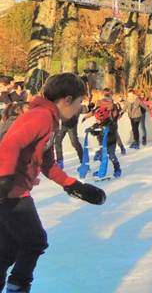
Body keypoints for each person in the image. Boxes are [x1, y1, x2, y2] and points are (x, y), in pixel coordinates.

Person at [0, 73, 106, 293]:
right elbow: (10, 144)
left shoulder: (50, 120)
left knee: (8, 249)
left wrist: (72, 185)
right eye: (79, 103)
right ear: (67, 99)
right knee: (34, 241)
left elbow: (47, 163)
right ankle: (18, 288)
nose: (79, 109)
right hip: (11, 190)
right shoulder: (40, 116)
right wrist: (4, 179)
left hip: (12, 187)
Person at [53, 103, 83, 169]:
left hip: (72, 126)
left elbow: (84, 109)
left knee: (74, 142)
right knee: (57, 141)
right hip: (64, 125)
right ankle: (60, 161)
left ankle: (83, 160)